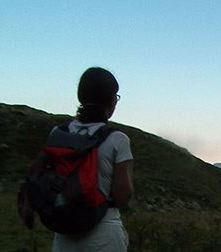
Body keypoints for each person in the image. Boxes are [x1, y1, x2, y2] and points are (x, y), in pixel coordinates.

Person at [52, 67, 134, 252]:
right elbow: (123, 196)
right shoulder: (118, 139)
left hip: (64, 230)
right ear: (112, 100)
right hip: (104, 232)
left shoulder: (58, 134)